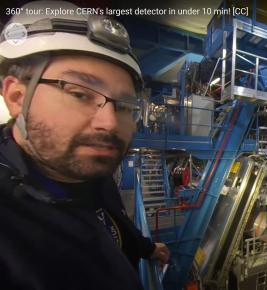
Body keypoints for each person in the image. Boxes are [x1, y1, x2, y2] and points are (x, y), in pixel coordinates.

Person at [0, 1, 169, 289]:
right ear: (17, 97)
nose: (110, 123)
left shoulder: (90, 172)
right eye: (80, 94)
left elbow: (112, 222)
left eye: (125, 106)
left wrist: (146, 249)